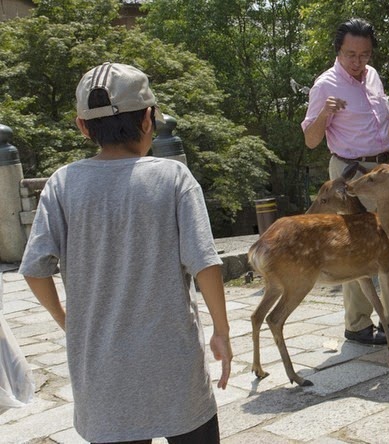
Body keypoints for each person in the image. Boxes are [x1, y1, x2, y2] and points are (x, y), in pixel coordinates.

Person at [19, 62, 232, 443]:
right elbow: (204, 262)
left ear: (83, 126)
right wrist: (221, 330)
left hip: (102, 377)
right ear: (149, 119)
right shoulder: (173, 177)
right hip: (174, 369)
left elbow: (35, 269)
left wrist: (66, 320)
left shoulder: (62, 184)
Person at [301, 18, 389, 344]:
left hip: (383, 171)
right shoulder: (325, 85)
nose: (359, 63)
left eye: (364, 55)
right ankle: (358, 324)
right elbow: (310, 140)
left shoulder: (373, 76)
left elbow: (381, 121)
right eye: (351, 55)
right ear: (338, 51)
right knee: (357, 248)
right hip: (349, 175)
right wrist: (324, 114)